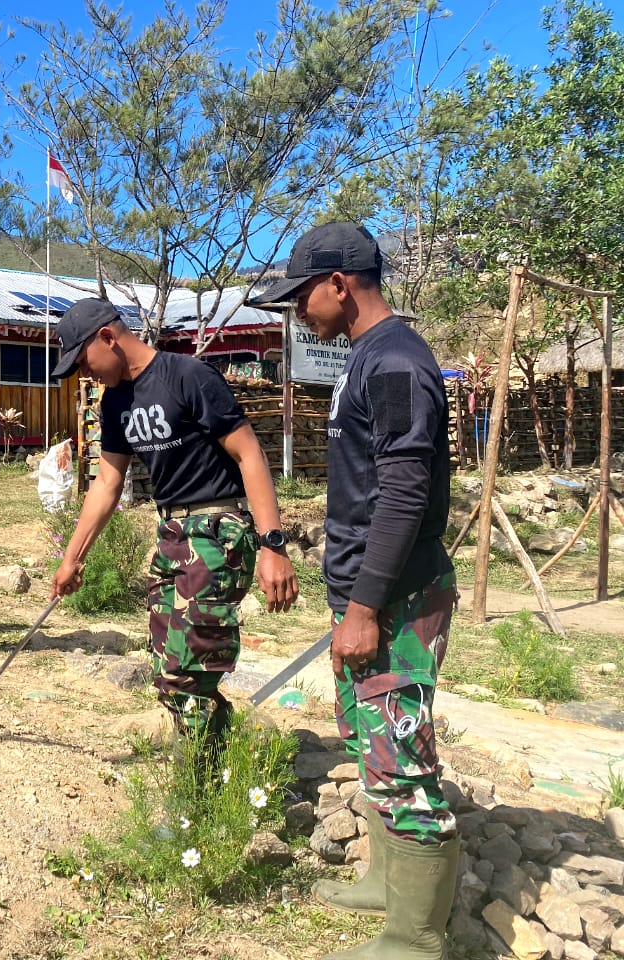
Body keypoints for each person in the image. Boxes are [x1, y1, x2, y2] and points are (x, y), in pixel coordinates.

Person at [249, 222, 458, 960]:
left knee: (402, 757)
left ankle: (417, 935)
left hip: (395, 599)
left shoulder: (396, 361)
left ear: (340, 283)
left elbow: (404, 492)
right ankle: (387, 882)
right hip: (367, 596)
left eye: (302, 294)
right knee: (372, 745)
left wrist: (366, 607)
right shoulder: (366, 357)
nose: (297, 310)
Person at [50, 298, 298, 741]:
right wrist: (72, 557)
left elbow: (249, 454)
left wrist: (272, 544)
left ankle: (204, 778)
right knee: (168, 665)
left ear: (108, 336)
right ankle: (213, 766)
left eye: (82, 361)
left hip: (216, 528)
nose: (83, 374)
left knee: (190, 669)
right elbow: (107, 482)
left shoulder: (187, 376)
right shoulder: (114, 403)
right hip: (172, 536)